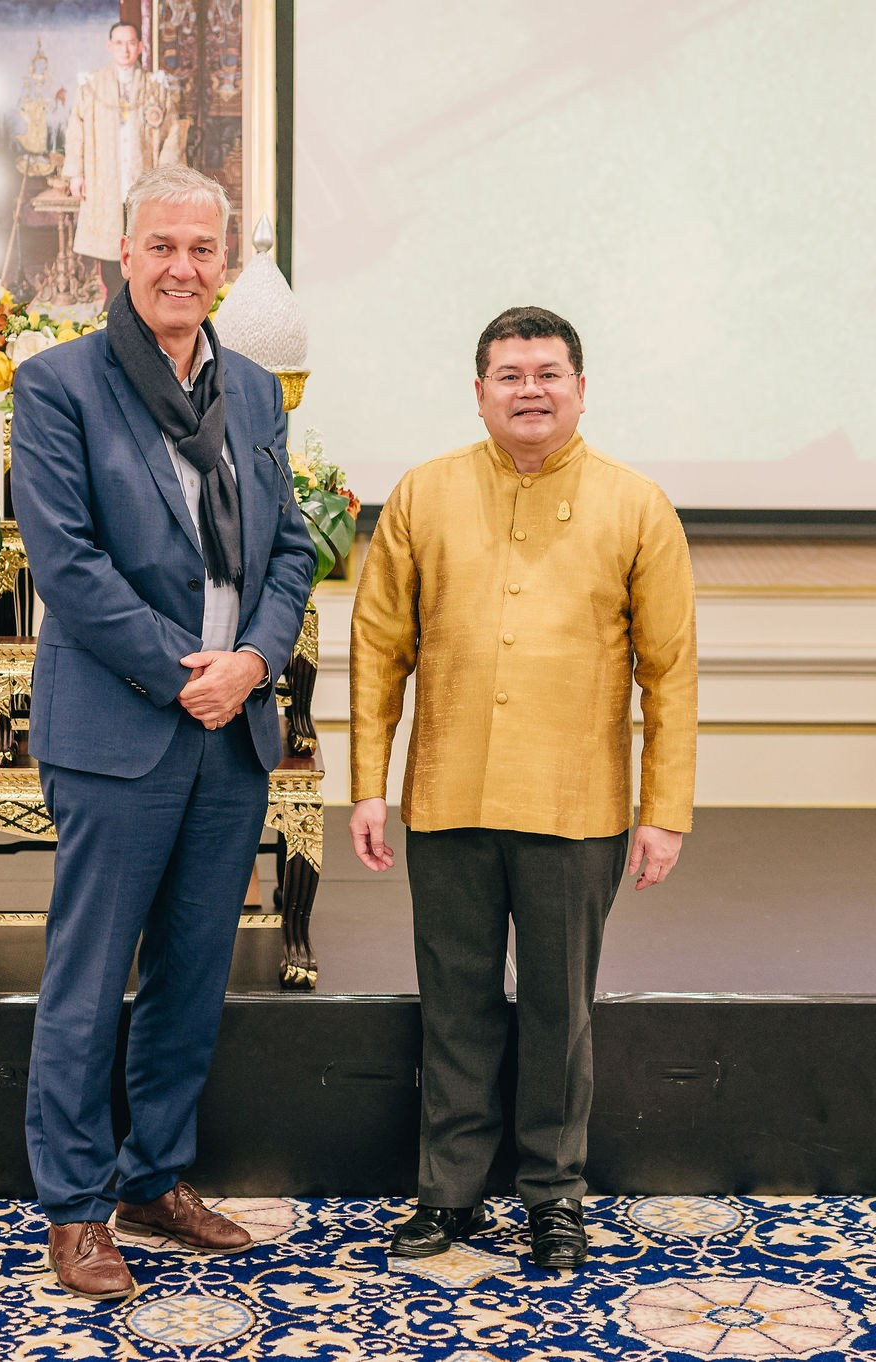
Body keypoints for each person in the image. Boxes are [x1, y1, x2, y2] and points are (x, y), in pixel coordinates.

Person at [11, 164, 315, 1301]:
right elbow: (66, 564)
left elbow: (288, 550)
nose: (183, 268)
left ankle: (156, 1177)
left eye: (202, 250)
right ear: (121, 258)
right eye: (161, 248)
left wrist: (249, 664)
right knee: (87, 978)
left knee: (191, 972)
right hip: (118, 726)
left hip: (230, 724)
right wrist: (179, 671)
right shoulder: (57, 388)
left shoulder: (254, 391)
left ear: (222, 265)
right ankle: (77, 1209)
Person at [347, 306, 697, 1271]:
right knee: (454, 1005)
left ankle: (553, 1197)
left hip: (575, 808)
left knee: (559, 1011)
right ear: (479, 392)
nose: (530, 389)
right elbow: (379, 648)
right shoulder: (425, 494)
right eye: (509, 374)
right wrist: (368, 786)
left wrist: (663, 812)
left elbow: (671, 673)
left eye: (548, 372)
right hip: (447, 798)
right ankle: (448, 1197)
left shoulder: (637, 505)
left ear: (581, 388)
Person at [65, 22, 185, 303]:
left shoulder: (155, 88)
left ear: (140, 47)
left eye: (131, 43)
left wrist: (166, 177)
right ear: (110, 47)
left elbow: (172, 133)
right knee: (110, 244)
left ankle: (141, 303)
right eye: (119, 43)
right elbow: (76, 131)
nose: (125, 49)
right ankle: (113, 304)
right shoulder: (92, 87)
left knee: (145, 239)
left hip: (142, 178)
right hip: (105, 177)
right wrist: (76, 174)